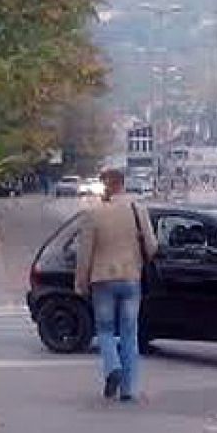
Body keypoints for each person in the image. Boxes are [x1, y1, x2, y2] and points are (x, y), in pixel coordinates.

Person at [74, 168, 159, 403]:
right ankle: (129, 389)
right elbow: (152, 247)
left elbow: (84, 254)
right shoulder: (137, 209)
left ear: (108, 185)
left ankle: (112, 367)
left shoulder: (93, 214)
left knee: (105, 330)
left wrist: (81, 282)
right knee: (130, 333)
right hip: (131, 278)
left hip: (102, 280)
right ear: (123, 183)